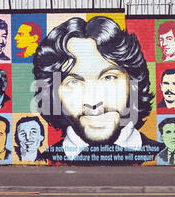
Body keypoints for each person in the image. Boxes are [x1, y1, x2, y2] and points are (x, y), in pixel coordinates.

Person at [32, 16, 163, 164]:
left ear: (133, 83)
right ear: (53, 93)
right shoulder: (45, 162)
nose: (93, 101)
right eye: (74, 82)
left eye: (109, 78)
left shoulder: (162, 155)